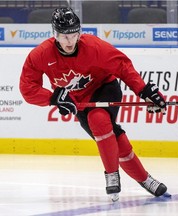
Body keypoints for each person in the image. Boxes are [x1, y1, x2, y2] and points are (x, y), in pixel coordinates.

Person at [19, 8, 168, 202]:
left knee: (98, 120)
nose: (70, 41)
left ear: (79, 32)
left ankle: (111, 175)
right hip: (77, 102)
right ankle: (145, 179)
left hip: (104, 88)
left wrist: (144, 91)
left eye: (73, 35)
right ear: (54, 34)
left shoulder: (94, 46)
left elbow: (122, 66)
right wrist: (53, 98)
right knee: (113, 136)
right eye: (64, 36)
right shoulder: (41, 55)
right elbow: (27, 88)